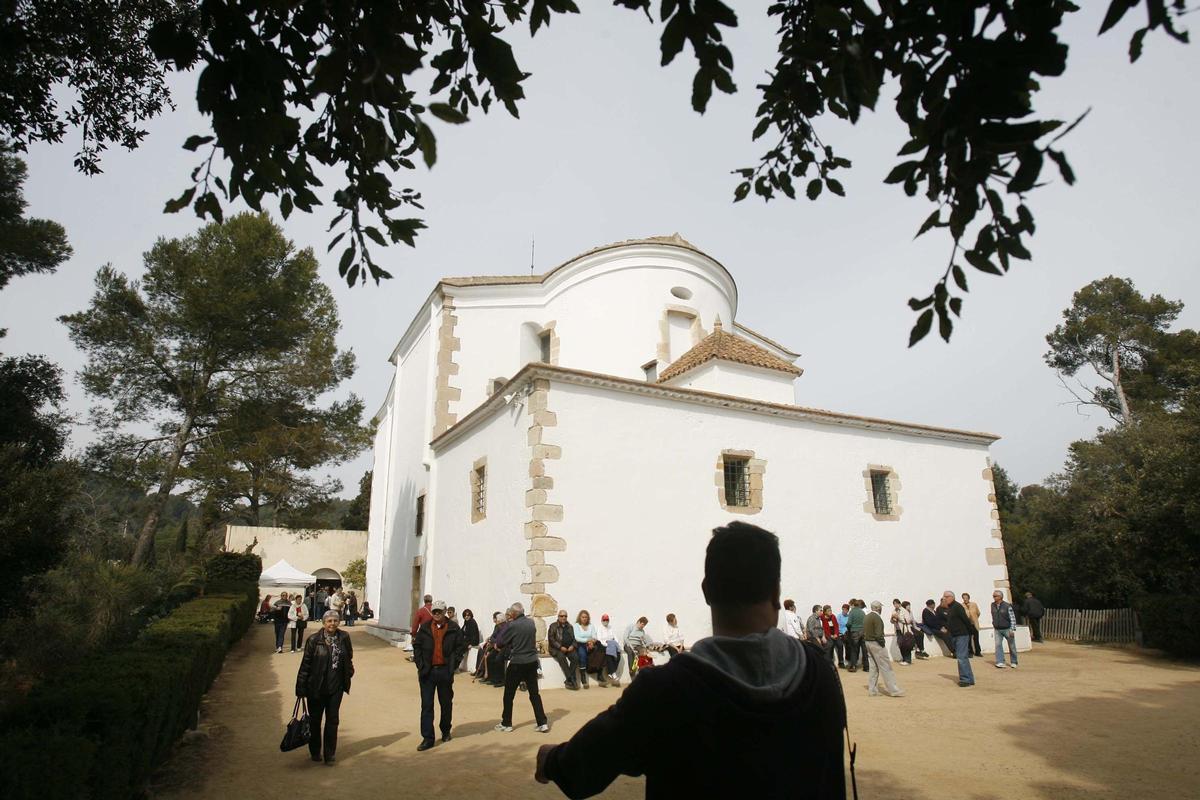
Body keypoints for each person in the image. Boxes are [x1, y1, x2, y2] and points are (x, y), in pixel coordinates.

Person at [534, 521, 846, 799]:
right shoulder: (821, 671)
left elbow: (583, 768)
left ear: (706, 591)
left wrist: (550, 760)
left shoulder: (665, 690)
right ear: (776, 592)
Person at [295, 610, 355, 765]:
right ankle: (315, 751)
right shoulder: (314, 640)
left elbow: (348, 656)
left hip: (336, 687)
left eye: (335, 620)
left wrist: (349, 672)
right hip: (316, 687)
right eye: (329, 621)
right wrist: (301, 688)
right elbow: (306, 664)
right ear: (323, 623)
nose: (332, 624)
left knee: (332, 720)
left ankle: (330, 754)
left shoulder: (344, 637)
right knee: (315, 721)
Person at [413, 600, 465, 751]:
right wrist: (420, 664)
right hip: (427, 672)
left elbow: (460, 647)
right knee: (427, 705)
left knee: (446, 703)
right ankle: (427, 738)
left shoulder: (453, 628)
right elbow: (417, 646)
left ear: (444, 612)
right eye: (434, 611)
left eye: (439, 612)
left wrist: (453, 665)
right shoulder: (425, 627)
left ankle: (445, 730)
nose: (436, 614)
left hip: (444, 671)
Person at [496, 602, 550, 733]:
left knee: (509, 694)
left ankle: (506, 723)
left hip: (517, 662)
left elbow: (501, 642)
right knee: (534, 694)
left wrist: (506, 627)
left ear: (514, 613)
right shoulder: (531, 623)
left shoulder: (513, 625)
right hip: (531, 661)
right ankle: (542, 722)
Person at [864, 601, 905, 697]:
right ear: (878, 608)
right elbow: (879, 634)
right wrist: (882, 643)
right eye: (880, 607)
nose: (881, 609)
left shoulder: (867, 616)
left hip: (868, 642)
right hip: (876, 643)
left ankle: (872, 690)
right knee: (886, 667)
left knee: (873, 667)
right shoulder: (877, 618)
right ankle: (894, 690)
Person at [943, 591, 975, 687]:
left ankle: (965, 680)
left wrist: (971, 631)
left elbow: (965, 619)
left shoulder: (957, 607)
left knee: (961, 657)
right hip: (955, 635)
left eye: (946, 597)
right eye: (944, 597)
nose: (944, 599)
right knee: (963, 657)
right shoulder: (950, 608)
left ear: (952, 597)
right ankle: (969, 679)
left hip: (961, 635)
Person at [549, 610, 580, 690]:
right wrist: (560, 647)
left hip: (569, 649)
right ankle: (572, 679)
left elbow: (574, 639)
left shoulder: (570, 626)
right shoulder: (553, 626)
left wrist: (572, 646)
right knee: (561, 657)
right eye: (562, 616)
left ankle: (569, 680)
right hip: (557, 649)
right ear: (558, 617)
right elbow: (551, 639)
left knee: (576, 657)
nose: (564, 617)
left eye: (565, 616)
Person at [575, 610, 606, 686]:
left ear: (588, 618)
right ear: (580, 617)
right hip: (581, 644)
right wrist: (587, 640)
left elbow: (594, 636)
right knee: (582, 654)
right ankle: (583, 675)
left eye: (586, 617)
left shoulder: (591, 626)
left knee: (602, 649)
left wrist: (592, 642)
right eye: (583, 617)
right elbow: (577, 638)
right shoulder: (576, 626)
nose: (584, 619)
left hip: (591, 643)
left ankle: (600, 673)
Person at [991, 591, 1019, 669]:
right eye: (993, 596)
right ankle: (1000, 661)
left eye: (995, 596)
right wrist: (994, 623)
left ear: (1000, 597)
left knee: (1012, 645)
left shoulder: (1007, 606)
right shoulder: (992, 605)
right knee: (998, 645)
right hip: (997, 629)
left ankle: (1014, 661)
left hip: (1007, 628)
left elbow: (1012, 618)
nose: (994, 597)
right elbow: (993, 615)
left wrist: (1012, 629)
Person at [597, 614, 621, 686]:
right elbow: (599, 639)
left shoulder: (611, 627)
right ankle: (613, 674)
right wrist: (607, 644)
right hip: (604, 645)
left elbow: (615, 637)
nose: (605, 621)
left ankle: (611, 672)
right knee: (609, 655)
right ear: (601, 621)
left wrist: (616, 644)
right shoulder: (600, 628)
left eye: (607, 620)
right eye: (604, 620)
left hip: (612, 644)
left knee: (618, 655)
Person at [890, 599, 915, 665]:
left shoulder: (904, 611)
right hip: (898, 630)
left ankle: (908, 660)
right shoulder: (894, 611)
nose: (895, 605)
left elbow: (908, 621)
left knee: (907, 645)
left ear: (899, 604)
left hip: (904, 630)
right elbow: (892, 621)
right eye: (894, 604)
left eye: (896, 604)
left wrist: (898, 617)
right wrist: (892, 618)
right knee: (901, 645)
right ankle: (904, 659)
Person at [844, 598, 864, 673]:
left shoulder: (852, 612)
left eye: (850, 605)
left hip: (854, 632)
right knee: (864, 649)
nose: (850, 607)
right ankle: (866, 666)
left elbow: (849, 623)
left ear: (853, 604)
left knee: (854, 649)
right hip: (863, 632)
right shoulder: (862, 611)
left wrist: (847, 626)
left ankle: (853, 666)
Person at [459, 608, 481, 673]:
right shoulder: (466, 622)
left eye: (468, 615)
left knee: (459, 649)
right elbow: (462, 631)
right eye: (465, 615)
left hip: (471, 642)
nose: (466, 617)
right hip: (466, 641)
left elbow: (474, 635)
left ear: (470, 615)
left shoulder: (472, 622)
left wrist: (471, 644)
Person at [962, 592, 982, 657]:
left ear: (969, 598)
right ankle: (970, 652)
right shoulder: (962, 606)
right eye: (964, 598)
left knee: (976, 638)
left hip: (974, 624)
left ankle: (978, 652)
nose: (965, 599)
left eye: (966, 598)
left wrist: (974, 618)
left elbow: (978, 613)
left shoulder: (974, 604)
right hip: (967, 625)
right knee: (968, 639)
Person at [834, 603, 850, 667]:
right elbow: (836, 626)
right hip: (840, 634)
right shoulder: (839, 616)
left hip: (847, 634)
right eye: (843, 609)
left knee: (848, 646)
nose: (844, 611)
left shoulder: (849, 617)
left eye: (845, 610)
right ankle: (841, 662)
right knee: (840, 646)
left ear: (848, 610)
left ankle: (847, 660)